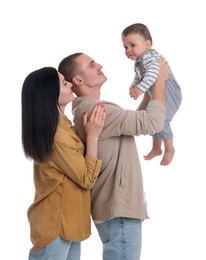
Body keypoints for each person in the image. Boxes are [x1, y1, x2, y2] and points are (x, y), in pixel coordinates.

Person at [58, 53, 169, 260]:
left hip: (115, 209)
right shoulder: (97, 110)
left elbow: (134, 122)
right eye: (91, 65)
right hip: (119, 211)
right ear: (78, 80)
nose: (99, 65)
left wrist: (149, 91)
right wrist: (160, 80)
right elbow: (153, 122)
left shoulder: (91, 109)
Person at [21, 67, 106, 260]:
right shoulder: (56, 135)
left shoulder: (65, 125)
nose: (69, 83)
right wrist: (92, 136)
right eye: (63, 82)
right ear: (49, 94)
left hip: (70, 226)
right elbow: (86, 178)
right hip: (56, 227)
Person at [121, 23, 182, 166]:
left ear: (147, 44)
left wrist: (141, 89)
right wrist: (135, 85)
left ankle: (169, 148)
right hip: (158, 92)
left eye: (132, 45)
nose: (128, 50)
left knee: (162, 119)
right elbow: (140, 76)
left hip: (170, 93)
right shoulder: (140, 60)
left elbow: (154, 74)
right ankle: (156, 148)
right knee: (153, 117)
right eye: (125, 47)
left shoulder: (151, 57)